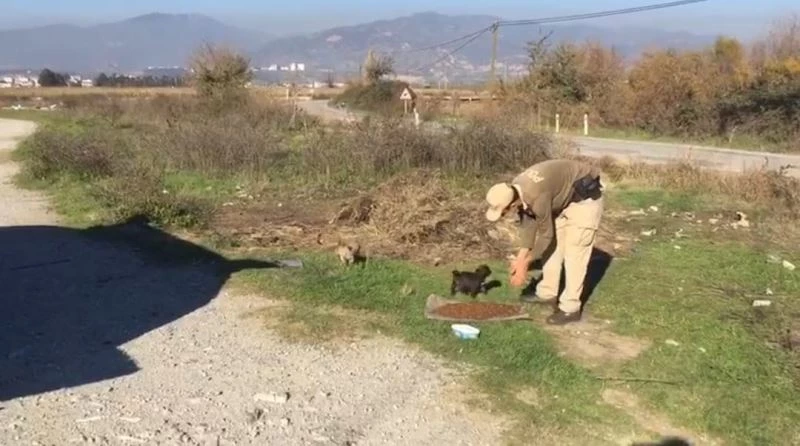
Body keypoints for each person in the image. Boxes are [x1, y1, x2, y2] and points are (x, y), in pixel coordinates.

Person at [484, 159, 604, 325]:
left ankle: (570, 308)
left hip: (585, 200)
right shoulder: (517, 189)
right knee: (552, 247)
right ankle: (547, 292)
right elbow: (528, 223)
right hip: (563, 200)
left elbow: (545, 234)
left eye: (503, 212)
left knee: (574, 253)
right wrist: (521, 258)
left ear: (511, 205)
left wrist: (526, 262)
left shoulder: (536, 196)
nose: (503, 215)